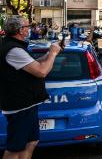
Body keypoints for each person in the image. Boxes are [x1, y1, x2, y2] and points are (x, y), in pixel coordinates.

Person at [0, 16, 62, 159]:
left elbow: (33, 64)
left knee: (31, 142)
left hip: (27, 104)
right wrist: (52, 53)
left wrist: (49, 54)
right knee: (15, 148)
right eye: (27, 26)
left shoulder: (17, 46)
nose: (30, 29)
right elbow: (41, 71)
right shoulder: (13, 49)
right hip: (19, 107)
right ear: (20, 30)